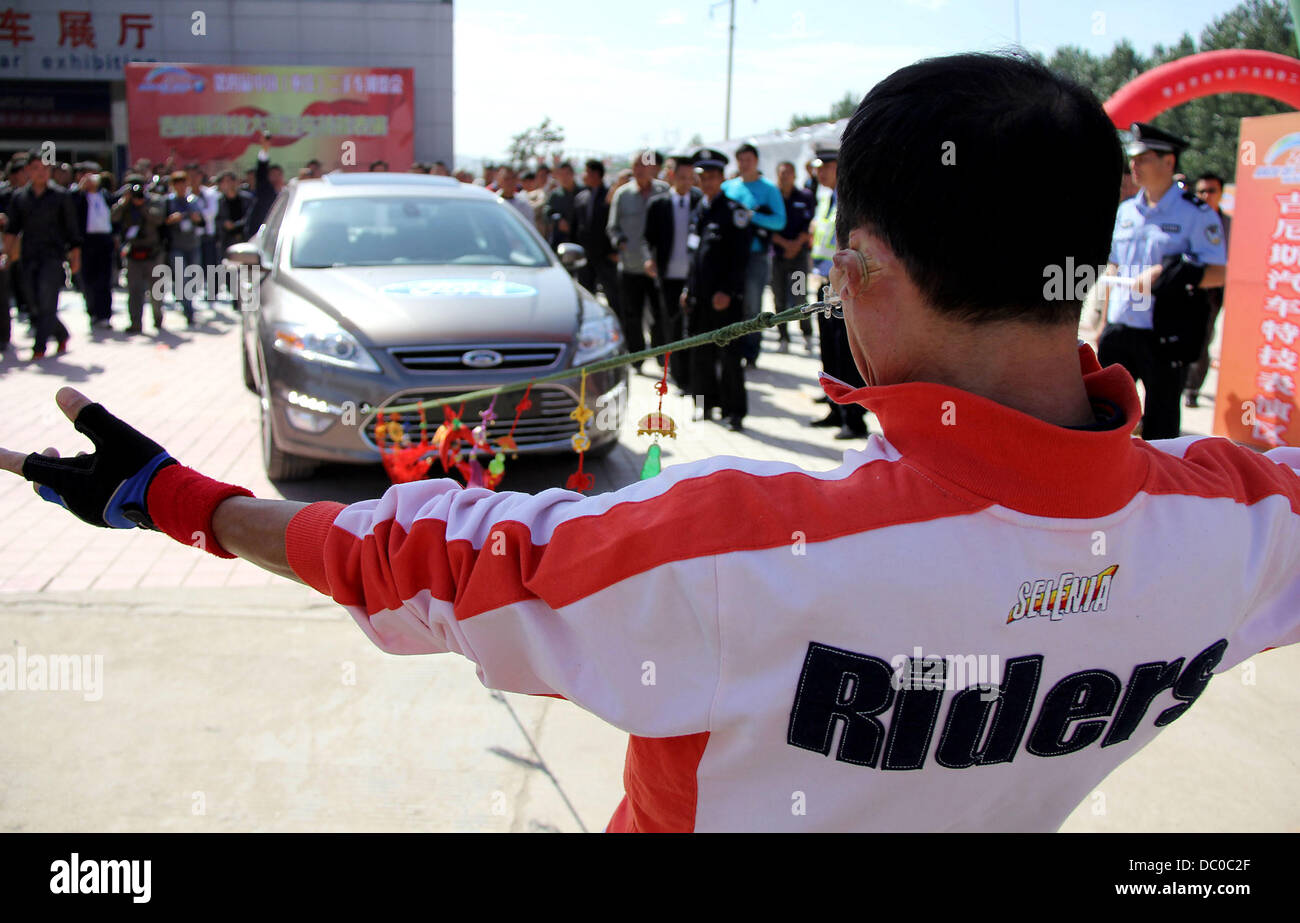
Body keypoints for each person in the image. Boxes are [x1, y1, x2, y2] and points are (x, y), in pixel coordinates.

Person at [17, 53, 1300, 835]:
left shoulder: (745, 547)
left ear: (859, 269)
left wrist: (174, 498)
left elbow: (434, 559)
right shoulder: (1239, 527)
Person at [1097, 123, 1227, 440]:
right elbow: (1115, 267)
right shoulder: (1126, 211)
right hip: (1120, 329)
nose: (1134, 165)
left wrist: (1166, 274)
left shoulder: (1196, 214)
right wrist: (1103, 322)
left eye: (1143, 158)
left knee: (1161, 428)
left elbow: (1218, 272)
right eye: (1133, 158)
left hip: (1164, 334)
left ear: (1169, 162)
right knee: (1105, 421)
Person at [682, 149, 751, 431]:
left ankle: (734, 412)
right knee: (700, 355)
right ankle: (704, 403)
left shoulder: (735, 212)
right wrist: (688, 288)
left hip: (724, 300)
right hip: (699, 298)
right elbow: (693, 254)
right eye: (702, 177)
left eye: (711, 177)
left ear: (722, 178)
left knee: (730, 356)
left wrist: (728, 291)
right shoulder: (699, 210)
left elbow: (741, 258)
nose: (706, 182)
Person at [807, 147, 869, 439]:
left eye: (827, 167)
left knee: (845, 353)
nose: (820, 172)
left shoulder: (850, 199)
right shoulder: (825, 199)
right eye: (818, 167)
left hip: (842, 285)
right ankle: (836, 408)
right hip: (825, 281)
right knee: (829, 349)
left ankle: (854, 418)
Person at [3, 157, 80, 360]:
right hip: (28, 257)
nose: (41, 173)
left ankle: (39, 348)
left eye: (45, 169)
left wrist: (75, 257)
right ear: (28, 170)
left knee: (47, 301)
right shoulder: (20, 197)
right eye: (36, 168)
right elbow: (12, 229)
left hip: (53, 257)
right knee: (34, 304)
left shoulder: (61, 196)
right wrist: (6, 254)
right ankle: (61, 333)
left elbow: (72, 231)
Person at [722, 143, 785, 365]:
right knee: (729, 303)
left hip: (755, 256)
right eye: (740, 159)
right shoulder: (728, 187)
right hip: (729, 257)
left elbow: (779, 221)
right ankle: (730, 350)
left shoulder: (768, 189)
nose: (744, 164)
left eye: (748, 159)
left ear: (756, 161)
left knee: (751, 305)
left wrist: (752, 217)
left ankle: (750, 353)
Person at [643, 155, 702, 389]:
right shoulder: (658, 204)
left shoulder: (700, 202)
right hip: (669, 276)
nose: (686, 182)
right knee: (673, 326)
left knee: (695, 327)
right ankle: (678, 376)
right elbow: (647, 239)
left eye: (691, 178)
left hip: (695, 276)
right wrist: (649, 259)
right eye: (681, 177)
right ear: (671, 176)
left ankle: (696, 375)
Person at [608, 150, 668, 370]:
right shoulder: (622, 194)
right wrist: (619, 242)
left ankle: (661, 355)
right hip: (631, 266)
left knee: (659, 315)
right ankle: (637, 358)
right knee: (632, 315)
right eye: (637, 166)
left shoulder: (664, 192)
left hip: (658, 266)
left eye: (645, 165)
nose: (641, 170)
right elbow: (612, 227)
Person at [1185, 171, 1232, 408]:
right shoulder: (1187, 220)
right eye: (1201, 191)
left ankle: (1192, 388)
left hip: (1212, 292)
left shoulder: (1230, 225)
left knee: (1203, 339)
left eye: (1211, 191)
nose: (1206, 196)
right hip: (1183, 290)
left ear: (1221, 193)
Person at [770, 159, 816, 353]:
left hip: (798, 257)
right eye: (781, 173)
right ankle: (783, 336)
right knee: (779, 298)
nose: (785, 176)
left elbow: (809, 226)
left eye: (788, 172)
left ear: (795, 175)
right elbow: (767, 227)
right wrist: (785, 244)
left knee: (799, 296)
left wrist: (796, 245)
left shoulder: (805, 197)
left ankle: (806, 334)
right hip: (778, 256)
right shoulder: (772, 198)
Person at [111, 179, 166, 334]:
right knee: (134, 290)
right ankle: (135, 322)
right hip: (134, 251)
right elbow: (113, 217)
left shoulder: (154, 201)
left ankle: (158, 318)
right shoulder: (126, 203)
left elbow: (158, 219)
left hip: (153, 252)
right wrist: (124, 202)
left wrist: (143, 206)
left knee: (156, 291)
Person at [70, 168, 115, 331]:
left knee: (105, 279)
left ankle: (104, 315)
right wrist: (80, 188)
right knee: (88, 279)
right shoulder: (79, 196)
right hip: (87, 241)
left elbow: (115, 211)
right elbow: (69, 206)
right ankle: (93, 312)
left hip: (105, 240)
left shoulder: (105, 195)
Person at [574, 159, 619, 315]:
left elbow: (614, 224)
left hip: (606, 255)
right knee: (586, 296)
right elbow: (576, 226)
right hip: (585, 257)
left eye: (586, 172)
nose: (583, 176)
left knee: (613, 297)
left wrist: (614, 251)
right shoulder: (581, 197)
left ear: (595, 174)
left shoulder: (610, 196)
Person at [162, 170, 207, 327]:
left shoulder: (193, 201)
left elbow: (203, 222)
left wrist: (197, 218)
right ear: (173, 186)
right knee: (182, 278)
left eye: (183, 184)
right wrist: (171, 220)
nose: (181, 187)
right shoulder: (168, 201)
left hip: (193, 244)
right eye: (178, 184)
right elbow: (161, 224)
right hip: (176, 245)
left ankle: (184, 299)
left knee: (193, 278)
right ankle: (189, 311)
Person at [246, 137, 284, 240]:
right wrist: (265, 150)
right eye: (273, 175)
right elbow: (261, 171)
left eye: (278, 175)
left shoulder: (288, 194)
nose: (276, 178)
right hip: (262, 238)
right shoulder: (265, 192)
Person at [544, 161, 579, 250]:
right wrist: (558, 220)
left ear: (572, 174)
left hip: (579, 238)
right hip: (560, 240)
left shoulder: (582, 192)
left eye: (567, 174)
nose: (564, 178)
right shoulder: (555, 194)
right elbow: (547, 211)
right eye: (561, 175)